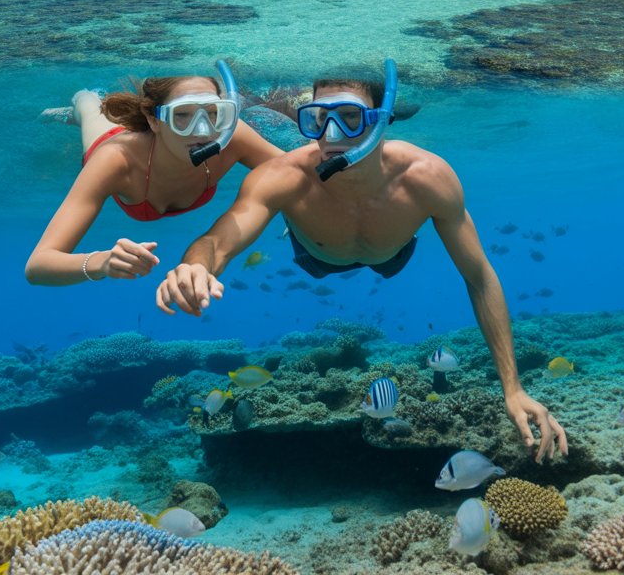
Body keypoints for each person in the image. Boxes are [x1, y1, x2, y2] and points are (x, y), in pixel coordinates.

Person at [155, 61, 568, 462]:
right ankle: (292, 223)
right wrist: (196, 266)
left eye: (350, 118)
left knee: (390, 258)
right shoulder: (285, 176)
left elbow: (480, 277)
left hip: (391, 255)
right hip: (315, 257)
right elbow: (217, 241)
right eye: (318, 119)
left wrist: (512, 388)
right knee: (303, 239)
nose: (331, 135)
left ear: (381, 120)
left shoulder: (427, 176)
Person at [26, 63, 282, 286]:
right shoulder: (114, 160)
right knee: (92, 108)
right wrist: (102, 262)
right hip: (111, 139)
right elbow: (38, 266)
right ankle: (81, 102)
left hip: (154, 139)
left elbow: (296, 172)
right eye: (182, 114)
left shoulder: (231, 136)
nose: (203, 131)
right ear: (153, 119)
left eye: (214, 112)